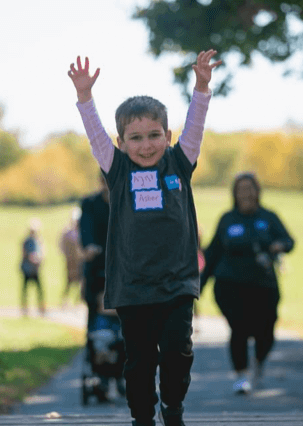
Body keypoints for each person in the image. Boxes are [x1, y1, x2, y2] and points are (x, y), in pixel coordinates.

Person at [68, 50, 222, 426]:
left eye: (154, 136)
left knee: (178, 351)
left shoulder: (179, 163)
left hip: (177, 282)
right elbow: (94, 135)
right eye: (135, 138)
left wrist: (201, 86)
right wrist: (85, 98)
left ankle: (172, 408)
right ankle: (142, 418)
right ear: (121, 142)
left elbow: (196, 125)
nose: (146, 145)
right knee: (138, 360)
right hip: (132, 285)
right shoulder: (117, 170)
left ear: (167, 137)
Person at [200, 172, 295, 394]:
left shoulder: (269, 217)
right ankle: (241, 375)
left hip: (263, 284)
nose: (246, 193)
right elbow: (212, 254)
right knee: (239, 328)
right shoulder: (227, 219)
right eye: (241, 189)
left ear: (257, 191)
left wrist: (278, 246)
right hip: (230, 284)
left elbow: (289, 241)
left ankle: (259, 362)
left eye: (250, 188)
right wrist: (199, 286)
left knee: (266, 330)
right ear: (234, 193)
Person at [79, 174, 110, 332]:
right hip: (97, 262)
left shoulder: (126, 201)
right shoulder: (90, 203)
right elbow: (85, 228)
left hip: (124, 264)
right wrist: (88, 246)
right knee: (93, 307)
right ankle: (93, 346)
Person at [20, 218, 46, 316]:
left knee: (40, 290)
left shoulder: (39, 241)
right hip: (27, 268)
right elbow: (24, 253)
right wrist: (30, 257)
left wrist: (39, 259)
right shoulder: (26, 241)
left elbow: (43, 253)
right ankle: (24, 308)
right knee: (25, 290)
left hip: (36, 269)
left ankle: (41, 308)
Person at [60, 207, 84, 307]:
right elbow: (62, 247)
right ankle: (65, 300)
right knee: (69, 281)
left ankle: (78, 301)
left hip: (79, 262)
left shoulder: (82, 232)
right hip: (70, 262)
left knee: (80, 282)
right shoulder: (67, 233)